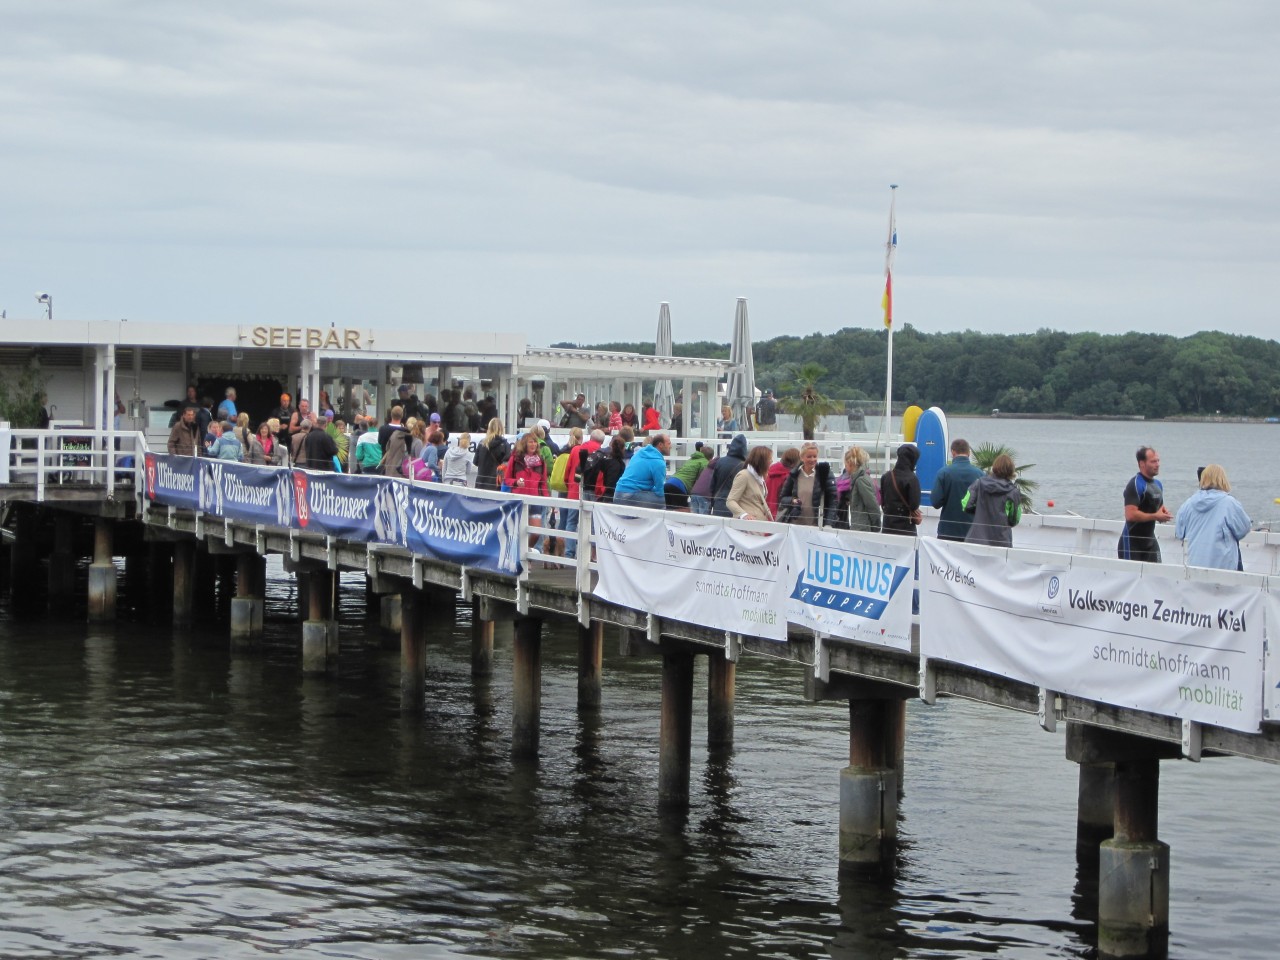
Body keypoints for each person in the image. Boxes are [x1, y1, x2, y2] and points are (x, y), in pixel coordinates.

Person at [1175, 464, 1251, 570]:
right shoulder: (1229, 503)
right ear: (1223, 479)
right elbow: (1243, 529)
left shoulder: (1188, 504)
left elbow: (1179, 533)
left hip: (1194, 565)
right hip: (1223, 567)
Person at [1118, 445, 1172, 562]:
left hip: (1149, 541)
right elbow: (1130, 515)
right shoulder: (1135, 484)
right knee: (1132, 578)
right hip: (1132, 542)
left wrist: (1163, 513)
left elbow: (1157, 507)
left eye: (1158, 461)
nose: (1157, 464)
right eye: (1153, 461)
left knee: (1157, 576)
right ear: (1142, 463)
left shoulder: (1158, 485)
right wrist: (1155, 516)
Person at [962, 453, 1023, 547]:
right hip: (1001, 541)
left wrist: (979, 510)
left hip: (976, 539)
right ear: (1011, 470)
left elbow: (966, 505)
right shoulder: (1013, 492)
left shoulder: (979, 483)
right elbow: (1014, 519)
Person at [930, 439, 985, 541]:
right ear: (969, 453)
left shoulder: (944, 473)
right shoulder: (980, 474)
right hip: (972, 531)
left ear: (953, 452)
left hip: (948, 530)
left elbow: (935, 502)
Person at [777, 442, 839, 526]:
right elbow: (783, 498)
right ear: (802, 458)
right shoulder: (794, 474)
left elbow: (833, 501)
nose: (812, 459)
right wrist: (793, 501)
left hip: (817, 525)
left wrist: (828, 524)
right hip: (795, 525)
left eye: (815, 456)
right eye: (809, 457)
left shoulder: (825, 474)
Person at [508, 432, 549, 547]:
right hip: (519, 500)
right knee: (518, 532)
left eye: (535, 441)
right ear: (525, 444)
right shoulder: (515, 459)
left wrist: (548, 500)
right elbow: (507, 479)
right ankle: (520, 558)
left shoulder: (541, 461)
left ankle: (527, 553)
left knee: (536, 533)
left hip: (535, 500)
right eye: (530, 442)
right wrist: (516, 482)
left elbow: (543, 484)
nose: (533, 444)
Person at [613, 433, 673, 510]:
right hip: (629, 497)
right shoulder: (659, 463)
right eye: (669, 443)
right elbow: (660, 492)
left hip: (617, 494)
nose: (670, 446)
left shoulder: (639, 453)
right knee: (671, 500)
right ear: (660, 445)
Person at [836, 446, 881, 532]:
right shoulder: (858, 479)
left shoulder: (860, 481)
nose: (845, 467)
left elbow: (872, 506)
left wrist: (876, 528)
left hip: (863, 528)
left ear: (850, 463)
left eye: (845, 464)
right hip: (861, 527)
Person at [880, 444, 921, 536]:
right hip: (905, 527)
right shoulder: (912, 478)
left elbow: (882, 501)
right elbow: (914, 505)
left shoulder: (886, 477)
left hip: (887, 526)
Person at [726, 446, 773, 521]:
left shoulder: (760, 477)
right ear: (761, 461)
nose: (771, 461)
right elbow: (730, 501)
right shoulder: (744, 475)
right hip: (747, 525)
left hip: (759, 524)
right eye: (769, 459)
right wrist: (744, 515)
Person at [709, 433, 748, 517]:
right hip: (735, 505)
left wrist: (712, 504)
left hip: (718, 503)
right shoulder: (744, 466)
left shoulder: (720, 461)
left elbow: (712, 485)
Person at [473, 418, 511, 491]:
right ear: (501, 428)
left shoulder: (482, 444)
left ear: (489, 428)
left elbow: (475, 462)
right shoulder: (505, 445)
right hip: (496, 483)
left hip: (481, 481)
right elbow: (507, 465)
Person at [766, 447, 800, 519]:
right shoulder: (788, 477)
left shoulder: (769, 472)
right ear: (793, 463)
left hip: (766, 512)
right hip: (779, 514)